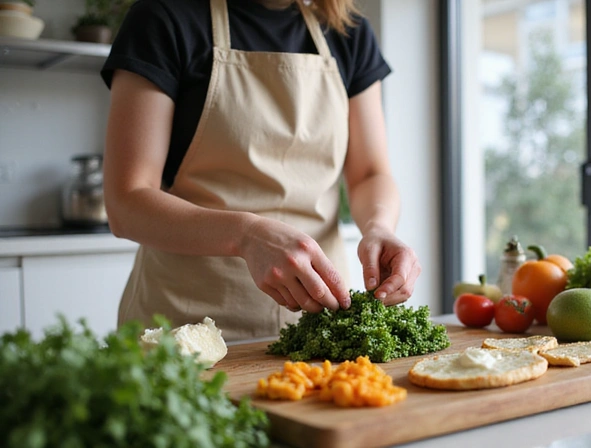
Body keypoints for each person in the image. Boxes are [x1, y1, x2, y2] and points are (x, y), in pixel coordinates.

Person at [100, 0, 421, 341]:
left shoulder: (348, 33)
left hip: (319, 327)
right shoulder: (163, 18)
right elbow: (127, 202)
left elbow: (370, 173)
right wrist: (246, 235)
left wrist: (379, 227)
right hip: (186, 328)